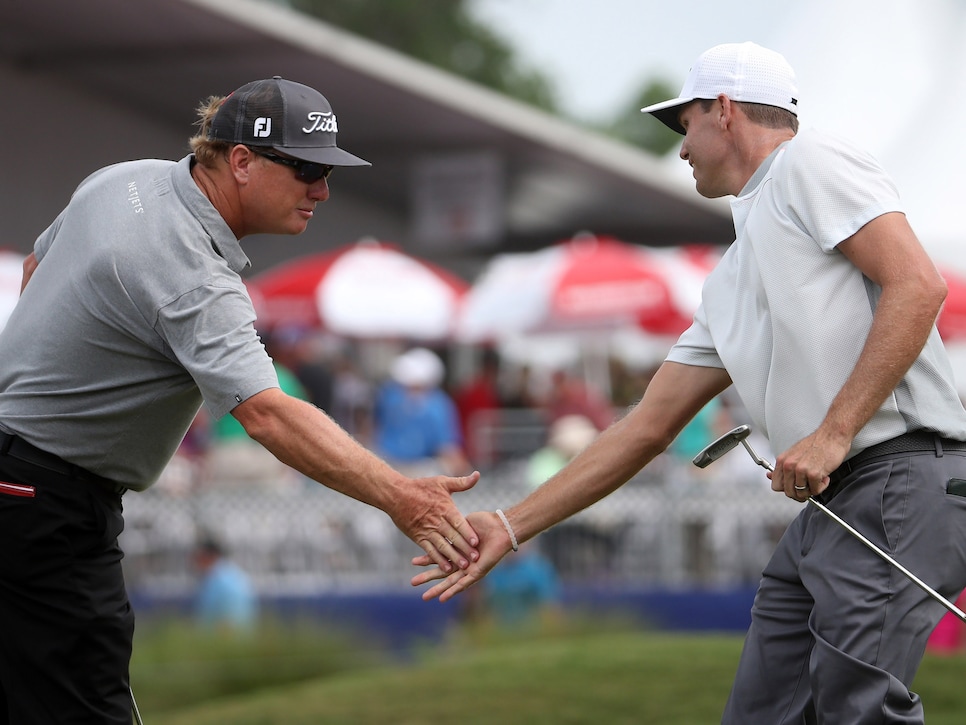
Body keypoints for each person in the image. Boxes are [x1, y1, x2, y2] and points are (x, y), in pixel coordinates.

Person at [413, 42, 966, 724]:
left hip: (903, 477)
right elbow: (646, 427)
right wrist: (509, 523)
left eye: (686, 125)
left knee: (859, 711)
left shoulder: (808, 163)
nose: (681, 149)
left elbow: (918, 285)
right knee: (762, 711)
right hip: (840, 501)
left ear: (725, 111)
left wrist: (832, 433)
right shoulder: (729, 278)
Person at [0, 76, 479, 724]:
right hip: (43, 500)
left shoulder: (126, 179)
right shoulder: (192, 270)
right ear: (242, 162)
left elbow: (36, 269)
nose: (323, 188)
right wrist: (403, 495)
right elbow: (267, 413)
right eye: (307, 167)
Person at [372, 347, 471, 476]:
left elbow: (447, 446)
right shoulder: (391, 396)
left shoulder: (436, 403)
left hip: (409, 466)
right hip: (391, 463)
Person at [192, 535, 258, 633]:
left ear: (208, 556)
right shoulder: (234, 574)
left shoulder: (215, 580)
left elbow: (207, 621)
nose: (195, 563)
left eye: (199, 557)